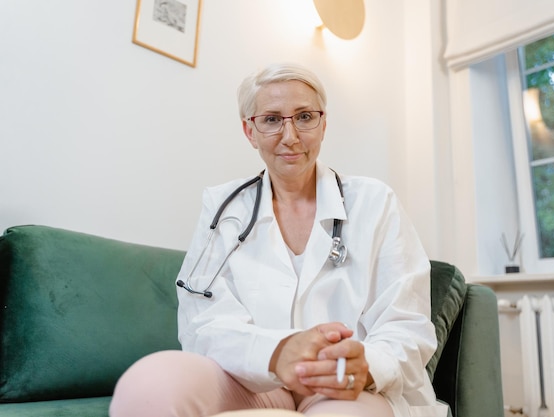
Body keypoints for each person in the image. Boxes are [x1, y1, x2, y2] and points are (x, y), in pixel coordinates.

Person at [109, 63, 447, 417]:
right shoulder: (223, 208)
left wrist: (368, 364)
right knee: (148, 387)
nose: (290, 136)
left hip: (347, 386)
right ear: (249, 131)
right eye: (271, 119)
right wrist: (277, 352)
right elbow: (203, 323)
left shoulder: (375, 202)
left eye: (304, 117)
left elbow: (406, 324)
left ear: (323, 124)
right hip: (256, 381)